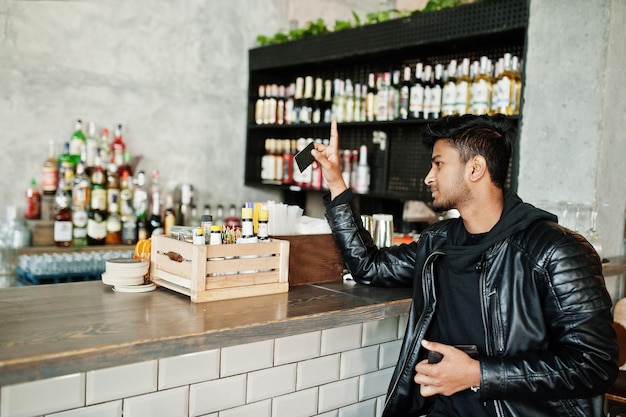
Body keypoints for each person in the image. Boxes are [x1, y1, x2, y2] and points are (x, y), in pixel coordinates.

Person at [310, 114, 618, 417]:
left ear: (475, 168)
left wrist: (479, 375)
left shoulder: (554, 249)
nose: (428, 177)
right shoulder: (438, 243)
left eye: (439, 164)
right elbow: (369, 266)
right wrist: (336, 181)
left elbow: (593, 364)